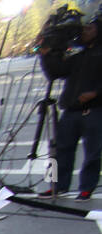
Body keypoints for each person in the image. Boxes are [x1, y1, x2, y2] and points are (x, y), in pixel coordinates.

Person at [41, 15, 102, 200]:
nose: (84, 31)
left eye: (90, 29)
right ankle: (57, 185)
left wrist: (96, 93)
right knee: (60, 149)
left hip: (95, 110)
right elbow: (56, 72)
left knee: (93, 152)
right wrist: (48, 53)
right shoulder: (78, 56)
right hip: (71, 109)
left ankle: (86, 187)